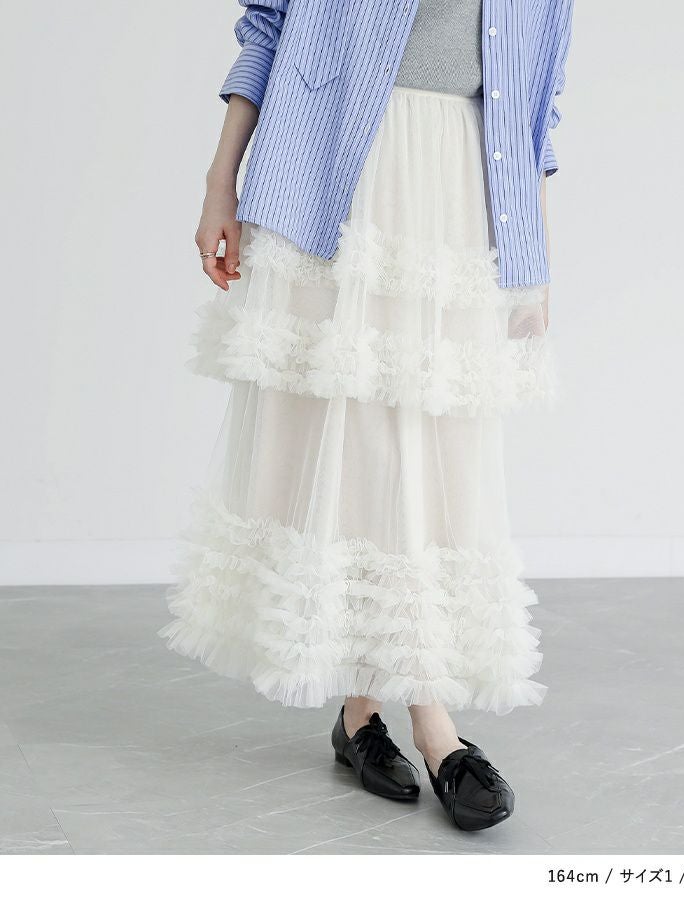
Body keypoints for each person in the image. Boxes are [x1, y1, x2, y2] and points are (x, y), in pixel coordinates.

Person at [160, 0, 573, 832]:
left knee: (435, 444)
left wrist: (532, 250)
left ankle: (364, 713)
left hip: (460, 189)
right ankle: (430, 721)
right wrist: (219, 183)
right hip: (335, 176)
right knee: (360, 441)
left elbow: (539, 95)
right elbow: (270, 26)